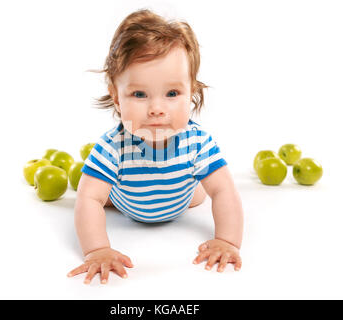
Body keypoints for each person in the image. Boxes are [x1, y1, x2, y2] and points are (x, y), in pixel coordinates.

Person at [67, 9, 244, 284]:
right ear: (116, 97)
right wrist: (97, 249)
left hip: (183, 199)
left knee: (202, 193)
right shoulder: (112, 148)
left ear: (191, 92)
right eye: (139, 94)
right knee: (98, 193)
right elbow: (88, 200)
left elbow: (223, 190)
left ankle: (188, 186)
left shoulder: (197, 143)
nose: (157, 109)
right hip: (128, 202)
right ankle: (113, 191)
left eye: (172, 93)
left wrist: (227, 240)